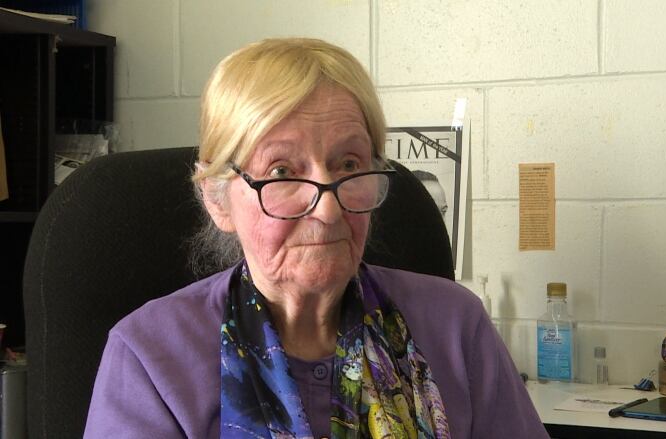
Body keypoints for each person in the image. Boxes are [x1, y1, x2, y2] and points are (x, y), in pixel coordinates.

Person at [84, 38, 548, 439]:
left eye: (349, 164)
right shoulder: (150, 357)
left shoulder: (454, 326)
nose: (329, 211)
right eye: (282, 172)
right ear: (218, 198)